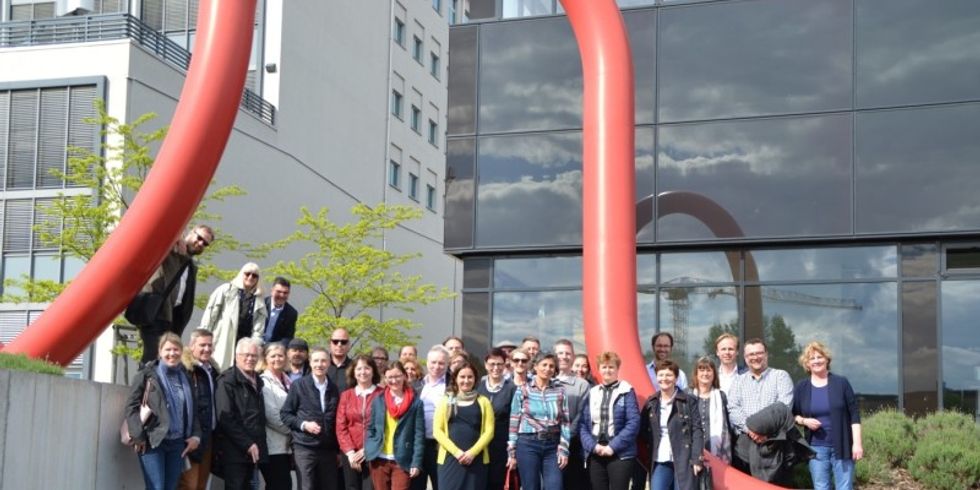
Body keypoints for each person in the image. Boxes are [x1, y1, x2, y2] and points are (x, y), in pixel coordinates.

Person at [126, 333, 201, 490]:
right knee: (156, 487)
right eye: (167, 349)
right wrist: (138, 436)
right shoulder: (147, 374)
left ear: (181, 352)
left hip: (178, 444)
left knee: (170, 487)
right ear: (160, 352)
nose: (172, 353)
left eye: (176, 349)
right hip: (153, 441)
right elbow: (131, 406)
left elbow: (193, 410)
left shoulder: (186, 378)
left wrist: (196, 436)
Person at [134, 225, 212, 365]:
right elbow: (158, 231)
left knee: (165, 360)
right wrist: (177, 237)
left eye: (205, 243)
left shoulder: (191, 266)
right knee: (153, 357)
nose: (200, 243)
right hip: (155, 311)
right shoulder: (171, 247)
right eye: (199, 238)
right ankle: (142, 386)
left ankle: (152, 385)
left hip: (171, 318)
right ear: (190, 232)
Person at [792, 342, 863, 490]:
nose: (816, 361)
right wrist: (805, 421)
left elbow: (854, 415)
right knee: (821, 487)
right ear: (807, 363)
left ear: (827, 359)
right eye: (812, 358)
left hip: (843, 446)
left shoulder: (841, 383)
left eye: (820, 356)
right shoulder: (802, 387)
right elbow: (793, 415)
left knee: (844, 487)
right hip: (816, 448)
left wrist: (857, 444)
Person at [728, 338, 794, 483]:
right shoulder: (738, 381)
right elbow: (733, 409)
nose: (755, 357)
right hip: (745, 445)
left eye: (759, 353)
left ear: (766, 354)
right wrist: (751, 430)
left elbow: (784, 408)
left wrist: (763, 431)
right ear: (745, 358)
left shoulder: (780, 377)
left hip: (773, 443)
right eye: (751, 354)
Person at [280, 347, 342, 490]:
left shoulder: (334, 389)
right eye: (316, 361)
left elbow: (336, 421)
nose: (319, 364)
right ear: (310, 362)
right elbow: (285, 414)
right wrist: (303, 424)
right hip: (305, 449)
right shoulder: (299, 385)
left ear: (329, 363)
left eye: (323, 361)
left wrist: (338, 450)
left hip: (328, 450)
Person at [507, 353, 570, 490]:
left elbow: (565, 422)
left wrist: (564, 449)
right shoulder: (523, 389)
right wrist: (511, 451)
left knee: (555, 486)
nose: (548, 369)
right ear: (535, 367)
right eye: (544, 365)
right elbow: (514, 422)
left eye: (551, 366)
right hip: (528, 443)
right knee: (531, 487)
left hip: (553, 446)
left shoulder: (560, 390)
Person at [579, 352, 639, 490]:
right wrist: (593, 447)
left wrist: (613, 447)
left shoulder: (627, 391)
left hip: (620, 453)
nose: (607, 370)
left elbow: (633, 422)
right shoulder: (592, 392)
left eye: (611, 367)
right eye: (604, 367)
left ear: (618, 369)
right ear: (599, 369)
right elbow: (583, 424)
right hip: (596, 451)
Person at [640, 359, 704, 490]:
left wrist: (697, 458)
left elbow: (697, 430)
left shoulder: (688, 400)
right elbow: (642, 430)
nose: (665, 378)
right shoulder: (651, 403)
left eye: (669, 375)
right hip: (660, 459)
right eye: (661, 375)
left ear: (676, 378)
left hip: (685, 460)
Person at [213, 338, 267, 490]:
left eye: (254, 356)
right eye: (246, 355)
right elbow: (225, 418)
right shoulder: (226, 381)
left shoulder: (258, 381)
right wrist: (247, 444)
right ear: (237, 356)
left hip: (254, 450)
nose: (250, 359)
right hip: (234, 451)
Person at [433, 360, 494, 490]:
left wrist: (472, 453)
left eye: (470, 377)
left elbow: (489, 431)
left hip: (476, 460)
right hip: (450, 459)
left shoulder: (483, 402)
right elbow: (437, 431)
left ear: (475, 379)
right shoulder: (446, 401)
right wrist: (457, 453)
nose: (466, 380)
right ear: (455, 378)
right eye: (462, 377)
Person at [365, 361, 425, 490]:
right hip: (379, 459)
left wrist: (416, 462)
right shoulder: (379, 400)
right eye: (390, 377)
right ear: (385, 379)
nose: (394, 380)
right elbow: (371, 427)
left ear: (404, 376)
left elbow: (419, 435)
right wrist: (369, 448)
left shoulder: (416, 403)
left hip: (402, 459)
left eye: (397, 376)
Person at [200, 263, 268, 370]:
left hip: (243, 344)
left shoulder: (259, 300)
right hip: (223, 338)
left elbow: (258, 330)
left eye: (254, 276)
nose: (250, 277)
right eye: (247, 274)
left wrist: (253, 347)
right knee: (218, 369)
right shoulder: (225, 290)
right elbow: (210, 316)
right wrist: (203, 337)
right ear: (242, 274)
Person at [179, 329, 220, 490]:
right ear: (191, 345)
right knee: (188, 485)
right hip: (190, 437)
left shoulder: (213, 370)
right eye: (202, 345)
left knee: (201, 485)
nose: (207, 349)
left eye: (210, 345)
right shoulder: (185, 369)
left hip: (209, 435)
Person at [337, 354, 383, 490]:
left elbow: (384, 426)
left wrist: (367, 449)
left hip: (374, 453)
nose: (363, 372)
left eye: (367, 368)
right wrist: (350, 453)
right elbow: (341, 426)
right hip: (350, 454)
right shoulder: (346, 396)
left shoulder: (382, 394)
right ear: (353, 372)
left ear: (373, 370)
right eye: (359, 369)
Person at [477, 348, 517, 490]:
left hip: (500, 446)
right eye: (492, 364)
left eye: (500, 364)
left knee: (497, 483)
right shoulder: (477, 387)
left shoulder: (512, 389)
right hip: (479, 446)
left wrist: (512, 452)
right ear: (485, 364)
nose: (496, 368)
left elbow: (515, 421)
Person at [554, 339, 590, 490]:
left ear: (573, 357)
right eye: (560, 353)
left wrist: (565, 439)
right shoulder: (545, 380)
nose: (564, 356)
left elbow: (581, 416)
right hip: (547, 444)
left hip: (573, 446)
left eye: (568, 353)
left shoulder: (582, 385)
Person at [413, 345, 449, 490]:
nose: (437, 366)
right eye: (433, 362)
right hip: (420, 446)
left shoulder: (452, 385)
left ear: (447, 364)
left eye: (441, 363)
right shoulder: (416, 386)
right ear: (427, 363)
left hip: (441, 446)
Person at [258, 343, 293, 490]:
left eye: (280, 355)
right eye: (273, 356)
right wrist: (296, 430)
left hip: (287, 447)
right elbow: (271, 416)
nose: (277, 359)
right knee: (280, 485)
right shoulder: (264, 382)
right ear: (266, 358)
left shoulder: (288, 381)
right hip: (273, 446)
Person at [690, 356, 733, 463]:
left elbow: (727, 424)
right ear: (696, 374)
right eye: (701, 370)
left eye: (709, 370)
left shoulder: (721, 396)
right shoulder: (688, 395)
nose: (705, 373)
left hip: (717, 449)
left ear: (714, 374)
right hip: (693, 449)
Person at [262, 277, 298, 346]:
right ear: (272, 291)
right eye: (278, 292)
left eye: (285, 293)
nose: (282, 295)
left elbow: (287, 338)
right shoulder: (261, 304)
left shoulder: (291, 313)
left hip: (274, 348)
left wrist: (272, 348)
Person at [328, 328, 354, 392]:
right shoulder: (321, 366)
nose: (339, 345)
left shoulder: (355, 367)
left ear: (349, 345)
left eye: (343, 342)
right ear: (330, 344)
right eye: (335, 341)